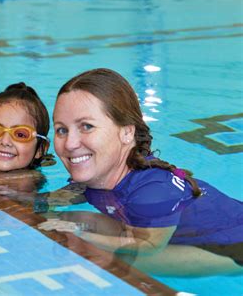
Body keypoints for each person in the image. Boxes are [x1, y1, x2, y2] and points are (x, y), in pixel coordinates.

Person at [39, 68, 243, 276]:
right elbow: (47, 202)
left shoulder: (153, 191)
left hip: (235, 246)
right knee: (77, 218)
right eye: (62, 130)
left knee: (101, 253)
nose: (70, 144)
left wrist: (80, 233)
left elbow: (146, 247)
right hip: (186, 234)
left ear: (127, 132)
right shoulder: (99, 177)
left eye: (87, 126)